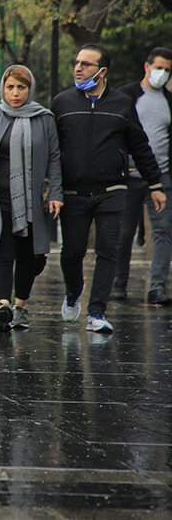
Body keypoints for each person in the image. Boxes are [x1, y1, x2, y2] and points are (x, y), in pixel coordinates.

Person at [51, 43, 166, 333]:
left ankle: (96, 312)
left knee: (108, 252)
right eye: (76, 62)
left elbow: (140, 146)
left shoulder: (121, 103)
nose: (78, 68)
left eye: (86, 64)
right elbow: (52, 150)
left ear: (102, 71)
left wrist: (155, 184)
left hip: (112, 191)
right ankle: (73, 291)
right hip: (73, 192)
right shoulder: (62, 103)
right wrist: (51, 188)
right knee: (72, 253)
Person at [0, 65, 64, 331]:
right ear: (3, 88)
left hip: (33, 200)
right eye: (10, 87)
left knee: (29, 256)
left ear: (29, 89)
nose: (15, 93)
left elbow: (55, 157)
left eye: (21, 87)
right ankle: (3, 306)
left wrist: (55, 192)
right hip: (0, 200)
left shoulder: (44, 119)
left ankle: (20, 306)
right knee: (3, 253)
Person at [112, 47, 172, 306]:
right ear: (147, 67)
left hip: (162, 176)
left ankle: (157, 287)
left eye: (168, 70)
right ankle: (118, 285)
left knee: (163, 231)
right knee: (123, 233)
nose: (163, 73)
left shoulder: (170, 102)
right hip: (128, 176)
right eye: (159, 67)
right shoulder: (126, 96)